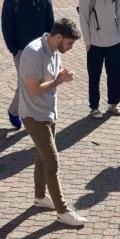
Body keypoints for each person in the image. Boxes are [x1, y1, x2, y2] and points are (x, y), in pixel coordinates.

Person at [19, 18, 87, 227]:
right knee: (52, 162)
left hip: (48, 113)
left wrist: (61, 75)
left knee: (42, 156)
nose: (71, 47)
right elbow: (33, 89)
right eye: (69, 43)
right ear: (58, 37)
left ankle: (40, 197)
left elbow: (51, 75)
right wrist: (59, 80)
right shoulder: (34, 53)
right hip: (34, 116)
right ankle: (62, 211)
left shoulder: (55, 50)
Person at [2, 0, 54, 131]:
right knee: (26, 84)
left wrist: (51, 47)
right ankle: (14, 111)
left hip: (42, 51)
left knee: (41, 83)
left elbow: (50, 25)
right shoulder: (12, 1)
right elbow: (7, 27)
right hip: (21, 52)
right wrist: (13, 49)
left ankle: (34, 115)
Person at [79, 0, 120, 119]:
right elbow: (83, 19)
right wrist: (87, 41)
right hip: (95, 44)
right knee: (94, 77)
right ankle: (94, 107)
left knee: (115, 75)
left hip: (115, 42)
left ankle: (113, 104)